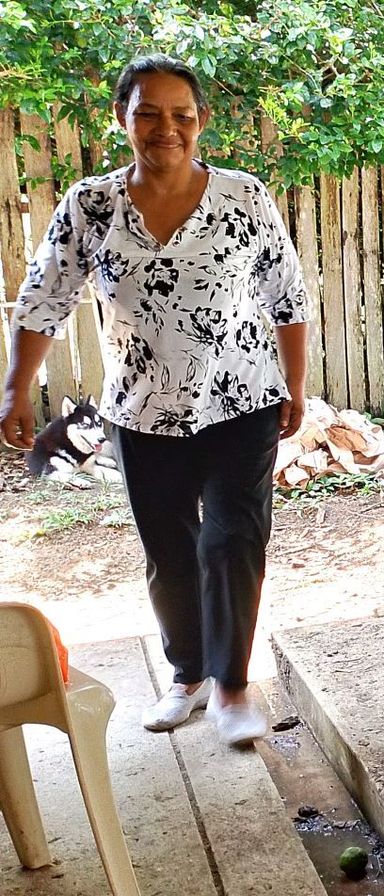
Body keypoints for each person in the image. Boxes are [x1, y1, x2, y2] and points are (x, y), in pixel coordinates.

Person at [0, 55, 309, 748]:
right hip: (140, 409)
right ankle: (188, 675)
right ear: (122, 119)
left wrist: (296, 384)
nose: (165, 128)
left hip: (243, 399)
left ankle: (232, 687)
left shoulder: (243, 197)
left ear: (200, 121)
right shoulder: (91, 205)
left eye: (180, 114)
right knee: (169, 551)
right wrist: (16, 390)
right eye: (147, 112)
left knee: (233, 540)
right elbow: (43, 298)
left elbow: (286, 293)